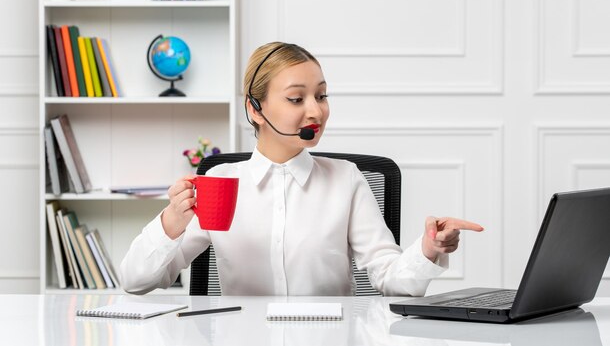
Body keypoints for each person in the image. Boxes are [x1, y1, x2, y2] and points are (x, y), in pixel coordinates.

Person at [120, 42, 483, 296]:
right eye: (297, 98)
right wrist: (171, 223)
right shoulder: (219, 183)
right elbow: (136, 281)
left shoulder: (346, 180)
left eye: (321, 96)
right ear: (254, 110)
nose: (316, 111)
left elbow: (390, 277)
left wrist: (430, 248)